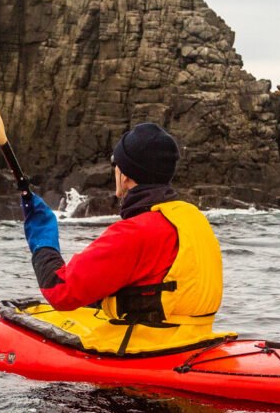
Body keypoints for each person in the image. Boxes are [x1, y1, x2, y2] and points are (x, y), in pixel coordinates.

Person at [17, 122, 229, 355]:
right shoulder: (193, 219)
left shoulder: (135, 232)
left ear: (125, 176)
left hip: (149, 349)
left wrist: (42, 235)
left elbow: (60, 290)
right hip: (196, 339)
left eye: (115, 164)